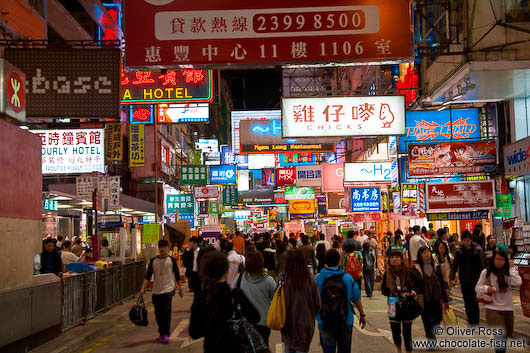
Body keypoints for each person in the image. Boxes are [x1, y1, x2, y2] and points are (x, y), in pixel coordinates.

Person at [316, 249, 366, 353]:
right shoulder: (348, 278)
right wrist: (362, 315)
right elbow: (356, 298)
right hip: (345, 319)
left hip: (324, 320)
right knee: (344, 349)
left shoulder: (318, 278)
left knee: (328, 350)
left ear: (325, 262)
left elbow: (312, 300)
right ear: (339, 261)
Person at [189, 251, 240, 352]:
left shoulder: (201, 298)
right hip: (234, 347)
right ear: (226, 270)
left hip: (211, 348)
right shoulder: (235, 295)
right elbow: (255, 317)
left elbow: (194, 332)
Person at [475, 245, 522, 353]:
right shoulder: (486, 272)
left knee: (505, 336)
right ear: (493, 259)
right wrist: (487, 288)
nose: (499, 261)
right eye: (497, 259)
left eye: (502, 259)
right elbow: (477, 288)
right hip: (492, 308)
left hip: (507, 308)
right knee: (499, 337)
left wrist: (511, 268)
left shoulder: (509, 273)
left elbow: (518, 282)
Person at [139, 239, 183, 344]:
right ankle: (161, 333)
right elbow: (147, 276)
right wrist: (142, 288)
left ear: (168, 248)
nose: (163, 249)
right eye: (161, 247)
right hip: (156, 291)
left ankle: (166, 334)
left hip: (168, 290)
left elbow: (177, 276)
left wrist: (180, 288)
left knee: (166, 312)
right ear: (158, 248)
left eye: (164, 247)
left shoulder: (171, 260)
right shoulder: (153, 261)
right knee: (158, 314)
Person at [232, 251, 276, 347]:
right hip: (263, 322)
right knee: (262, 347)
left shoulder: (240, 277)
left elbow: (232, 293)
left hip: (244, 322)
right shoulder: (269, 281)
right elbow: (276, 299)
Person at [280, 249, 321, 353]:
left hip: (287, 323)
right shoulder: (310, 278)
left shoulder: (282, 278)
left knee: (288, 348)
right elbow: (317, 304)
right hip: (305, 324)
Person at [381, 246, 416, 353]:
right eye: (392, 257)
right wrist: (393, 292)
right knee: (395, 328)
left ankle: (409, 350)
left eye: (396, 257)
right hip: (392, 302)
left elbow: (417, 284)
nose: (394, 259)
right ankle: (399, 349)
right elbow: (383, 290)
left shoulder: (409, 271)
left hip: (407, 303)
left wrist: (411, 292)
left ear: (401, 259)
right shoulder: (387, 273)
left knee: (407, 330)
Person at [411, 246, 448, 345]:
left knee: (438, 317)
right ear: (420, 255)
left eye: (428, 252)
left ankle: (432, 332)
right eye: (424, 252)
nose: (427, 254)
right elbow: (413, 283)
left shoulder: (436, 266)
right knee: (426, 320)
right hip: (424, 298)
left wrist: (445, 297)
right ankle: (431, 339)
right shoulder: (416, 268)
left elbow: (442, 282)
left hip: (436, 296)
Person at [450, 230, 484, 325]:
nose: (466, 242)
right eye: (464, 240)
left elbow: (481, 266)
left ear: (471, 240)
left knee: (474, 300)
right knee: (467, 300)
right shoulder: (459, 252)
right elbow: (454, 266)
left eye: (468, 240)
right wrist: (452, 278)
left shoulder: (476, 252)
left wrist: (484, 278)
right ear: (462, 241)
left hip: (475, 280)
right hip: (464, 280)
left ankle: (475, 321)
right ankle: (470, 320)